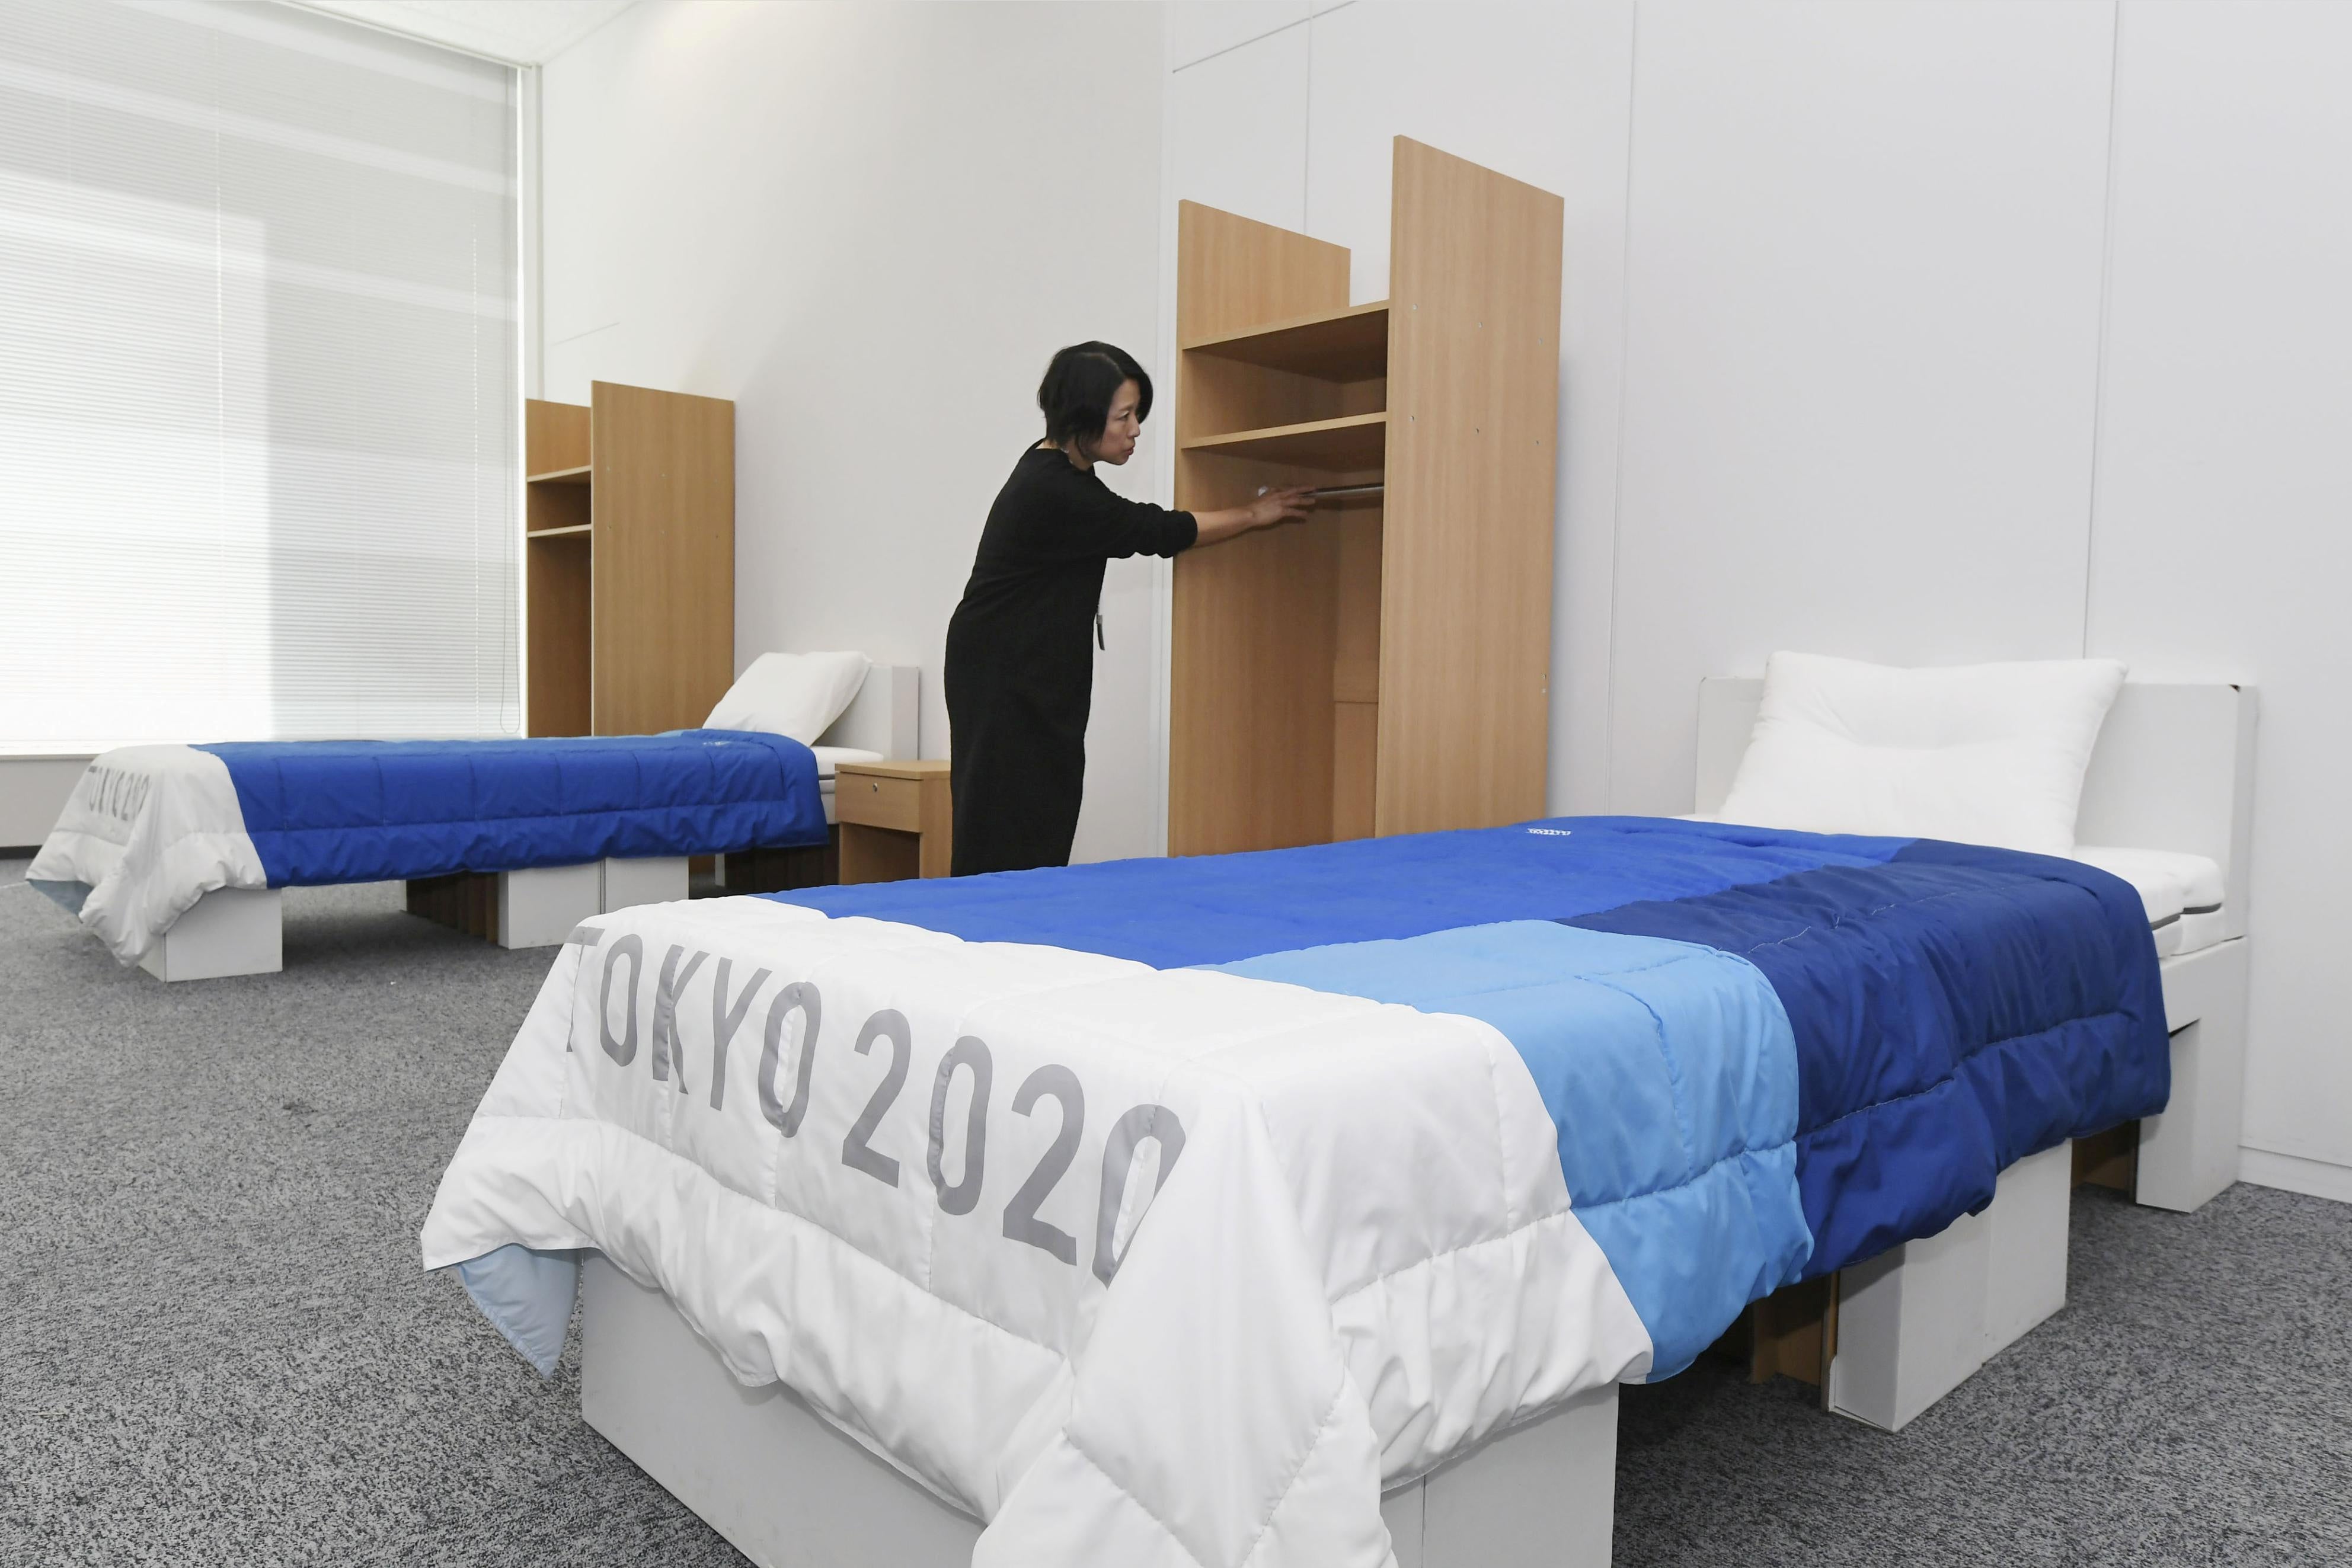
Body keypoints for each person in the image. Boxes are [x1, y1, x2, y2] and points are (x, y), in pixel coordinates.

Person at [944, 341, 1314, 875]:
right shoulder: (1055, 488)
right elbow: (1156, 529)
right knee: (1013, 819)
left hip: (1019, 664)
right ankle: (994, 923)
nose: (1136, 429)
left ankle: (1015, 917)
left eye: (1137, 414)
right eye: (1124, 417)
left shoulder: (1059, 469)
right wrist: (1254, 514)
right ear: (1082, 416)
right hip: (1006, 672)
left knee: (1037, 809)